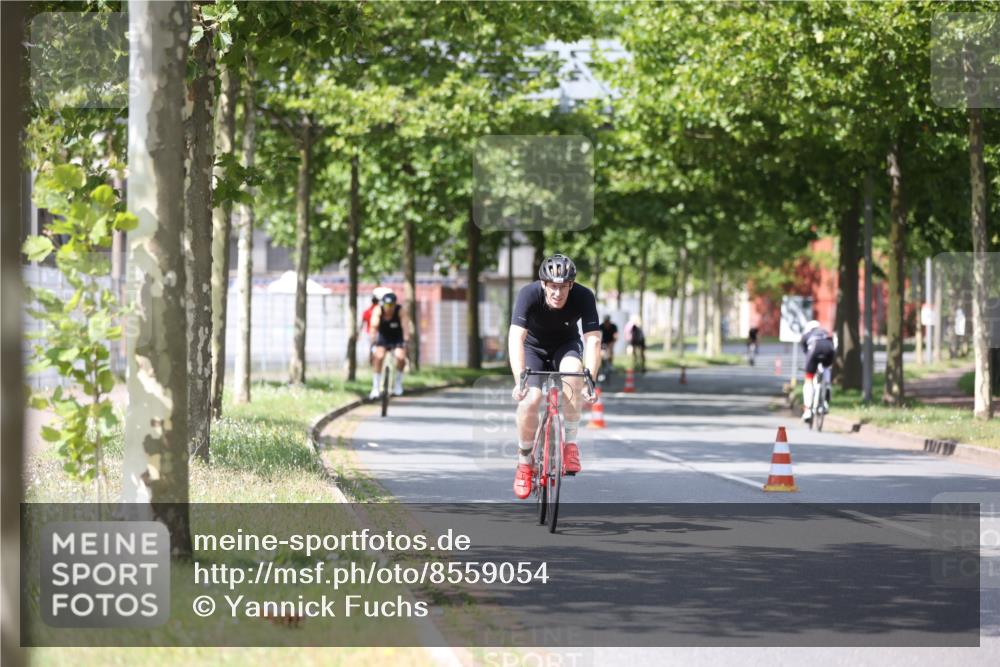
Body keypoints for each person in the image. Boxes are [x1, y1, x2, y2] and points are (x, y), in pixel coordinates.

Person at [509, 254, 600, 499]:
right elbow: (515, 337)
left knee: (573, 373)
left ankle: (570, 444)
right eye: (552, 287)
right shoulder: (528, 294)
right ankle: (525, 462)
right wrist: (520, 379)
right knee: (531, 399)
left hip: (566, 345)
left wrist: (590, 378)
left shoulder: (584, 296)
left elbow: (593, 339)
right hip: (533, 349)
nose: (557, 293)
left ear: (571, 285)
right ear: (543, 284)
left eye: (563, 287)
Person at [369, 291, 408, 399]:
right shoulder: (378, 310)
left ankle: (398, 384)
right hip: (383, 337)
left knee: (400, 356)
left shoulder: (401, 311)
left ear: (395, 304)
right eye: (386, 305)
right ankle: (375, 387)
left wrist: (405, 342)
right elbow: (373, 326)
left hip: (397, 337)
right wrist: (373, 342)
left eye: (391, 305)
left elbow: (405, 328)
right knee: (379, 356)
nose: (388, 308)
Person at [800, 319, 835, 423]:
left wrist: (810, 366)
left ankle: (807, 411)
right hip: (829, 348)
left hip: (814, 349)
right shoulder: (825, 332)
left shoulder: (807, 335)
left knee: (808, 379)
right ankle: (826, 396)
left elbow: (806, 352)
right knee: (826, 368)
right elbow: (833, 344)